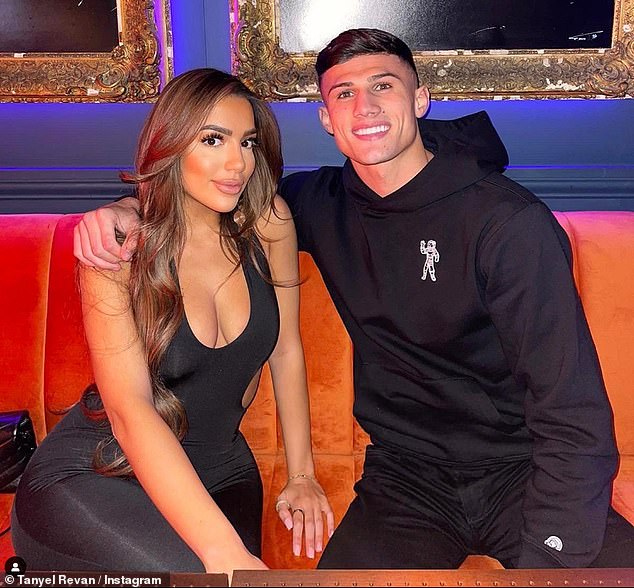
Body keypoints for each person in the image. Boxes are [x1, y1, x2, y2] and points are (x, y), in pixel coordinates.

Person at [72, 30, 634, 569]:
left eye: (383, 85)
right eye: (344, 93)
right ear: (327, 119)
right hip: (407, 481)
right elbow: (207, 189)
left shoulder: (509, 224)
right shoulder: (319, 204)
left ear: (420, 99)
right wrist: (129, 207)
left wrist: (548, 561)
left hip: (521, 470)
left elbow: (573, 413)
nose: (364, 106)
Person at [12, 68, 334, 575]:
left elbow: (286, 349)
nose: (238, 163)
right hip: (99, 472)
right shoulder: (120, 251)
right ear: (171, 146)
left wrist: (302, 475)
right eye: (213, 140)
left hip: (221, 472)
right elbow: (129, 411)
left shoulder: (268, 222)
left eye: (247, 142)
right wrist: (222, 551)